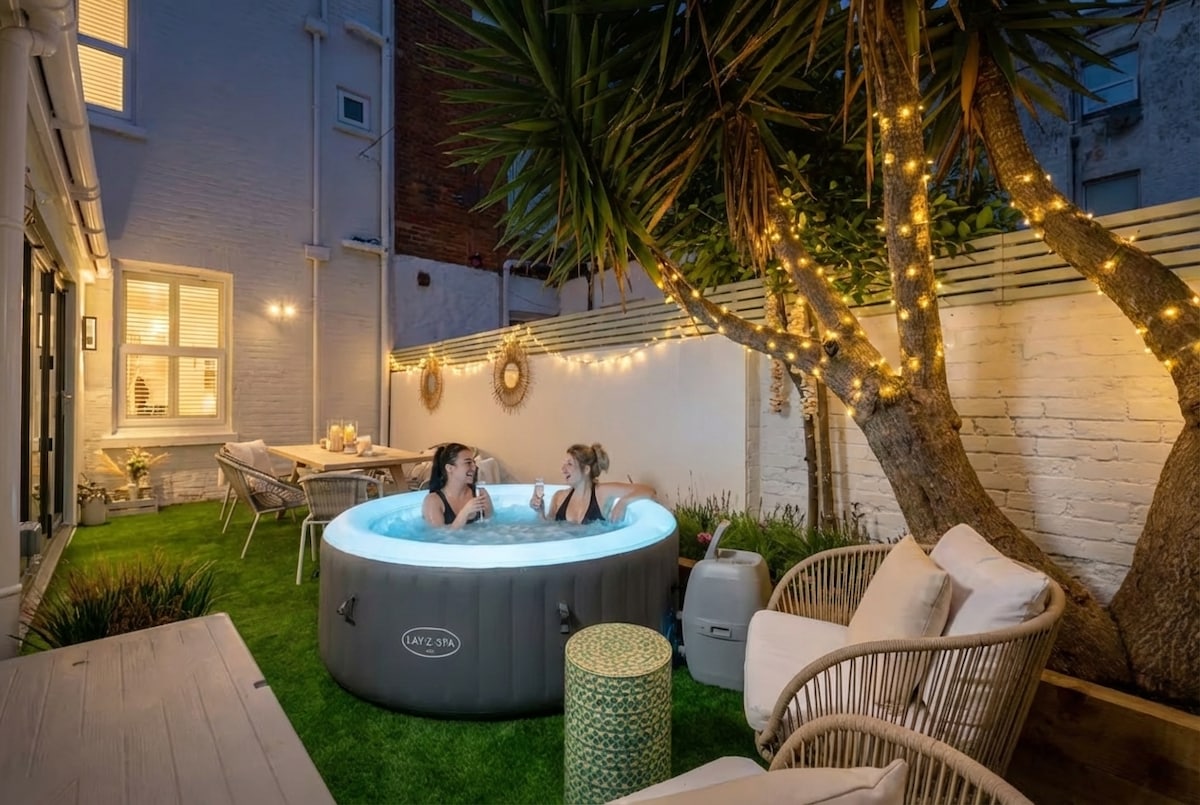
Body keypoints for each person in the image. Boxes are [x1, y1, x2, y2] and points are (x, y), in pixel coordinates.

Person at [530, 443, 655, 524]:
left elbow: (649, 491)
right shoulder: (559, 497)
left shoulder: (602, 493)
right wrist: (540, 512)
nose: (563, 469)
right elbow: (548, 529)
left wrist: (623, 502)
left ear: (586, 469)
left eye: (569, 464)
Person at [423, 443, 493, 528]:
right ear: (450, 468)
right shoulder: (433, 502)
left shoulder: (480, 494)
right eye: (468, 463)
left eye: (473, 462)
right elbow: (437, 535)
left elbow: (491, 527)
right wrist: (464, 513)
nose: (474, 467)